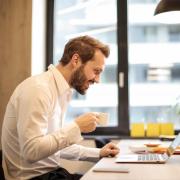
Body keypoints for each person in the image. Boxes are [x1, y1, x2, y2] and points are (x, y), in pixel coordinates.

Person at [1, 35, 119, 180]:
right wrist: (76, 127)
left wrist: (98, 153)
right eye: (96, 71)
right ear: (76, 60)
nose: (97, 80)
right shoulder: (38, 89)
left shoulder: (63, 92)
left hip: (52, 174)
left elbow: (53, 146)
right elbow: (31, 151)